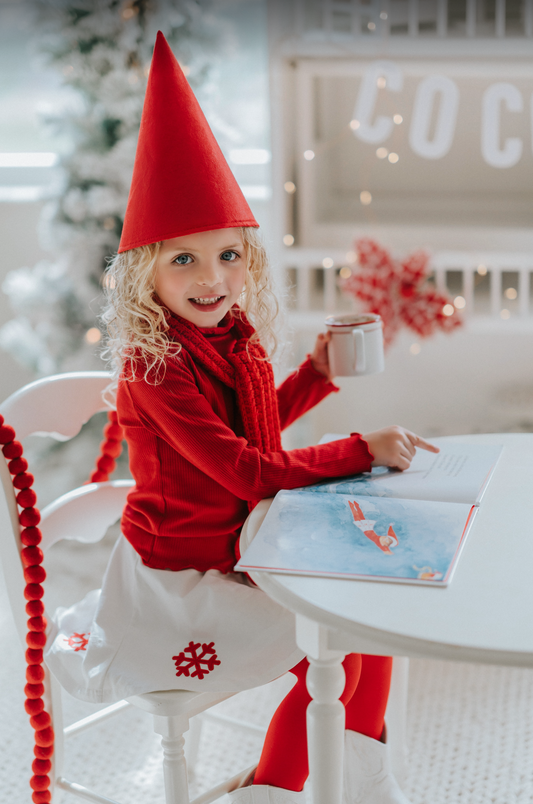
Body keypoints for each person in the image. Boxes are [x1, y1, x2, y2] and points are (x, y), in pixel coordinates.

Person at [45, 33, 439, 804]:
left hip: (241, 544)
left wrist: (315, 376)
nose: (211, 277)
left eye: (226, 255)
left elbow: (251, 435)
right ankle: (271, 790)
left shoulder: (232, 337)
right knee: (334, 651)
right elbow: (246, 470)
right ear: (143, 273)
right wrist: (359, 448)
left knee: (367, 630)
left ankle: (353, 786)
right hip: (182, 581)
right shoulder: (155, 364)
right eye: (183, 259)